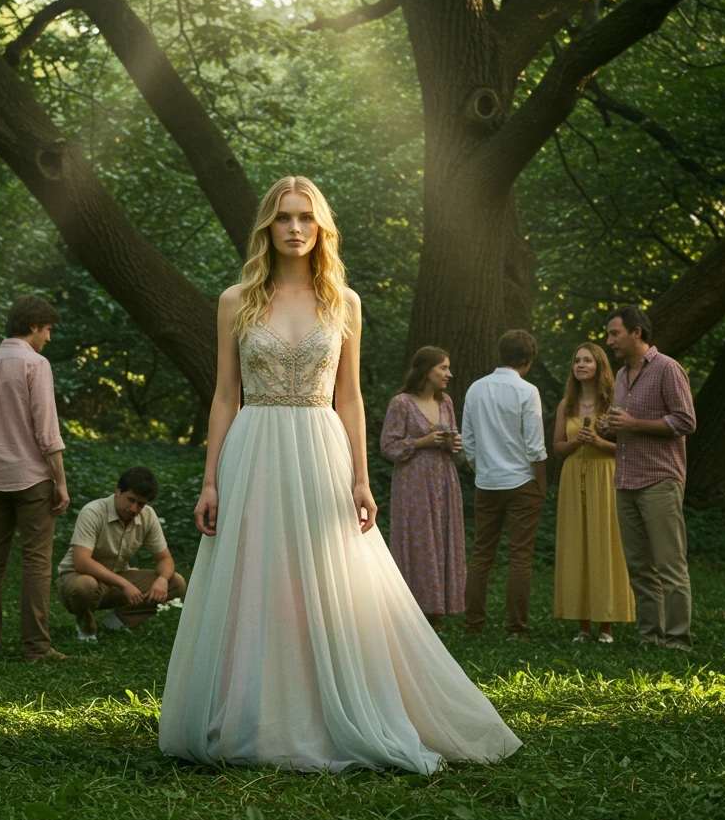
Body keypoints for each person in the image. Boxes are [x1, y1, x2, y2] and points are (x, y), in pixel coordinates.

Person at [158, 176, 520, 773]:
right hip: (253, 445)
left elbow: (349, 398)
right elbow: (224, 396)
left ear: (321, 228)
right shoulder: (235, 300)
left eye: (305, 218)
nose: (294, 228)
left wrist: (361, 477)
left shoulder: (343, 301)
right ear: (266, 228)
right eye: (282, 218)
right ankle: (252, 711)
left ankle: (329, 709)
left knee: (327, 580)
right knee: (256, 579)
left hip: (321, 446)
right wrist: (209, 481)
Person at [0, 295, 71, 665]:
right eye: (48, 330)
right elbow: (47, 430)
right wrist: (60, 481)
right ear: (33, 327)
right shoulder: (35, 364)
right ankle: (37, 648)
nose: (49, 338)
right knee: (36, 561)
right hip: (31, 477)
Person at [601, 306, 697, 651]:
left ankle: (678, 640)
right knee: (639, 567)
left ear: (636, 333)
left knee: (670, 565)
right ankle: (650, 638)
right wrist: (610, 427)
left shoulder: (667, 369)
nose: (609, 340)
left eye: (615, 333)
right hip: (625, 480)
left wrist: (634, 425)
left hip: (659, 479)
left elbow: (686, 421)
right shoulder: (623, 375)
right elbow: (625, 425)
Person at [460, 330, 547, 641]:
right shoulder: (527, 391)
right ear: (529, 360)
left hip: (487, 482)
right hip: (522, 481)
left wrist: (480, 468)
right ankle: (516, 629)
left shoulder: (475, 389)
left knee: (482, 554)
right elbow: (535, 445)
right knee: (520, 555)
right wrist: (542, 482)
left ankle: (473, 626)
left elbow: (467, 440)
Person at [551, 343, 634, 644]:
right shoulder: (566, 405)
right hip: (573, 477)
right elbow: (557, 448)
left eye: (587, 360)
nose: (581, 365)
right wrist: (576, 443)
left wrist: (599, 443)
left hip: (606, 476)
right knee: (577, 546)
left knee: (605, 545)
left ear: (599, 365)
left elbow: (630, 448)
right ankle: (583, 626)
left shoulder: (614, 402)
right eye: (577, 360)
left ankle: (606, 626)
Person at [380, 346, 465, 631]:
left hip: (443, 476)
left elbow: (451, 438)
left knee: (441, 536)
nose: (448, 374)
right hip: (413, 480)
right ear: (426, 370)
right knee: (418, 537)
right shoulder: (401, 403)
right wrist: (420, 443)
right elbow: (388, 446)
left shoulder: (447, 402)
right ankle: (411, 607)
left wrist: (454, 444)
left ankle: (438, 608)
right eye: (443, 367)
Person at [55, 466, 187, 642]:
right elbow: (81, 562)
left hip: (117, 579)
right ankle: (86, 626)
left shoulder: (148, 516)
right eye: (130, 500)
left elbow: (165, 559)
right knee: (84, 585)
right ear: (117, 490)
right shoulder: (93, 511)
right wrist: (124, 584)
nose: (134, 508)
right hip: (79, 578)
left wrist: (162, 580)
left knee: (176, 583)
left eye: (141, 504)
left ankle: (117, 621)